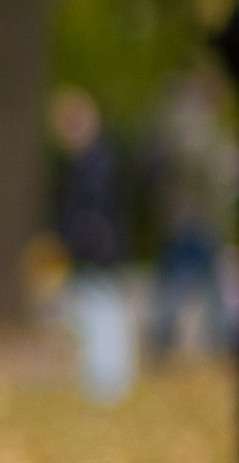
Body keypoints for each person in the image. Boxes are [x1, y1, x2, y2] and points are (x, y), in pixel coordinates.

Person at [51, 85, 138, 402]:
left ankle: (107, 381)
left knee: (101, 313)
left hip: (96, 254)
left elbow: (93, 215)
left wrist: (79, 243)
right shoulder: (92, 162)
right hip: (96, 252)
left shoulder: (96, 164)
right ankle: (105, 379)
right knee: (96, 313)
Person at [144, 69, 237, 361]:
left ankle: (171, 339)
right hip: (193, 218)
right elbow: (205, 173)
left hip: (185, 217)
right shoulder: (195, 127)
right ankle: (213, 341)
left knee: (189, 280)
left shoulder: (178, 123)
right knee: (192, 282)